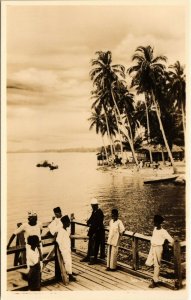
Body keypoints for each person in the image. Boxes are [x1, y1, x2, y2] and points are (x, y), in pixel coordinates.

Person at [145, 214, 174, 288]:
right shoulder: (155, 229)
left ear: (159, 223)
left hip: (158, 248)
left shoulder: (163, 231)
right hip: (153, 247)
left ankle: (155, 281)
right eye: (154, 222)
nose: (154, 223)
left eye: (156, 222)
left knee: (157, 264)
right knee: (150, 262)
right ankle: (155, 279)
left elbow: (171, 240)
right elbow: (154, 237)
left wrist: (166, 242)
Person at [81, 198, 105, 265]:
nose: (92, 207)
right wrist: (88, 222)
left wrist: (95, 232)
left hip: (97, 232)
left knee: (96, 246)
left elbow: (99, 224)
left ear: (96, 205)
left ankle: (94, 259)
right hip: (92, 231)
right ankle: (88, 256)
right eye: (92, 205)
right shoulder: (94, 211)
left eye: (93, 205)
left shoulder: (99, 212)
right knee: (90, 245)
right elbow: (90, 220)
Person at [56, 215, 76, 282]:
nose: (69, 224)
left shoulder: (66, 230)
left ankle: (70, 273)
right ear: (64, 223)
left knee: (69, 261)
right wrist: (62, 248)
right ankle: (70, 275)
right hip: (64, 249)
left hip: (67, 248)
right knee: (67, 261)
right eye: (68, 223)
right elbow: (58, 240)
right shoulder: (61, 231)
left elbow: (68, 233)